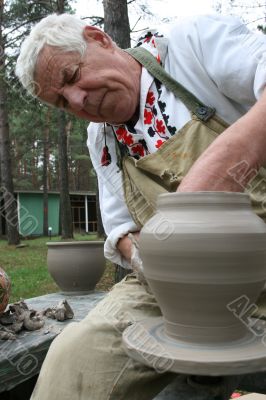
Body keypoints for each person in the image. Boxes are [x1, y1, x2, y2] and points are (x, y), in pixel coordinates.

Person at [16, 12, 266, 400]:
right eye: (62, 103)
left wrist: (221, 172)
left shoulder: (192, 47)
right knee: (72, 361)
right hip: (176, 292)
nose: (78, 100)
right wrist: (153, 264)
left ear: (98, 39)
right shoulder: (101, 141)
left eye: (70, 77)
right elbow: (120, 231)